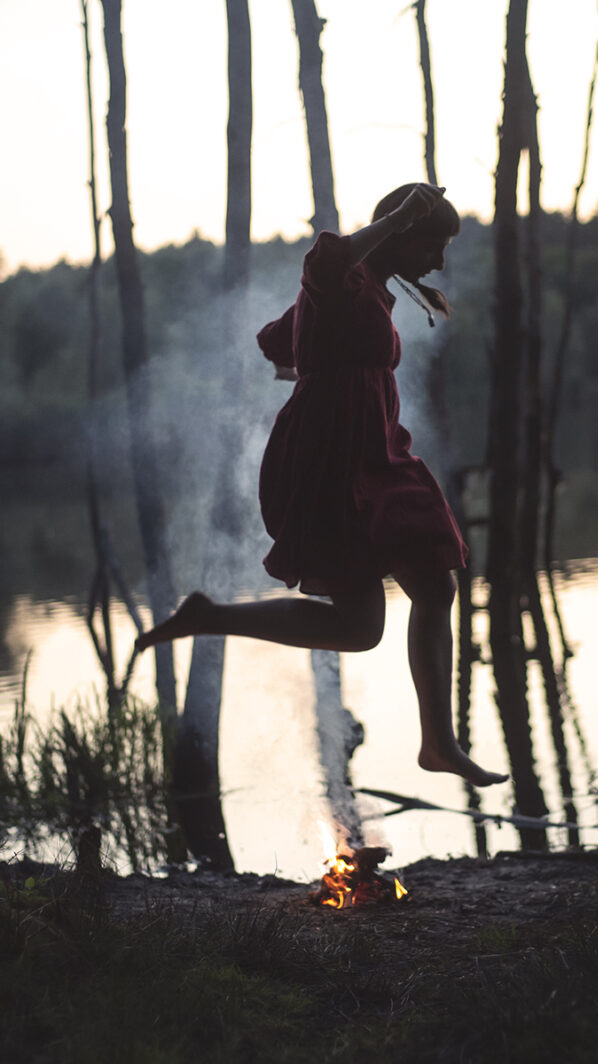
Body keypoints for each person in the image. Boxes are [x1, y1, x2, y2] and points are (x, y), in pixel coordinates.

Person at [136, 183, 508, 788]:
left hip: (377, 451)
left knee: (431, 589)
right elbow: (325, 260)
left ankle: (438, 742)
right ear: (401, 230)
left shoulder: (367, 294)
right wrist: (394, 220)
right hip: (333, 463)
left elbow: (281, 339)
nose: (439, 261)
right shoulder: (346, 277)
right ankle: (211, 616)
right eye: (434, 243)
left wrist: (306, 362)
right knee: (362, 627)